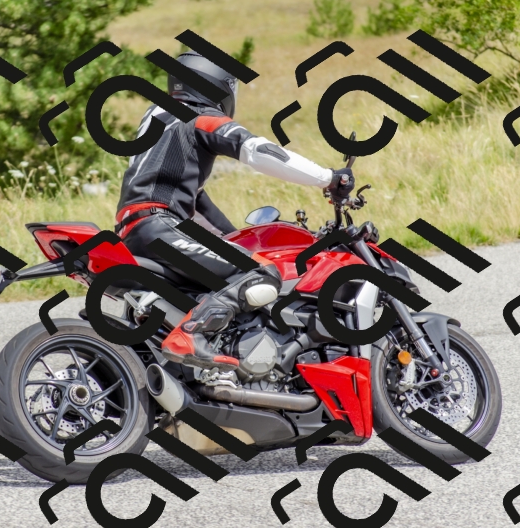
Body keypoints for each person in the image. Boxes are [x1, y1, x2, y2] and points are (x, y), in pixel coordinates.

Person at [115, 51, 355, 373]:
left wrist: (234, 240)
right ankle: (191, 335)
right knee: (261, 273)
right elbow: (258, 150)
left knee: (226, 275)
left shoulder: (157, 118)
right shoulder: (198, 116)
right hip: (159, 226)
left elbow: (199, 203)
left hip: (137, 231)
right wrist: (328, 178)